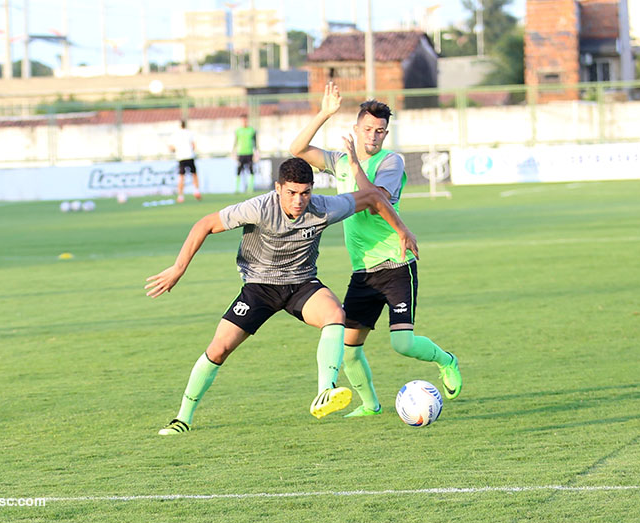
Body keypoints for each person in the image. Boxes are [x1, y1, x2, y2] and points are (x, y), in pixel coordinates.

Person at [145, 157, 418, 435]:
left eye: (305, 193)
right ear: (278, 188)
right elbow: (205, 224)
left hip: (301, 284)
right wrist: (179, 268)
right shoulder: (258, 208)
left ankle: (326, 390)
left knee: (336, 315)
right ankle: (183, 418)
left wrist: (402, 230)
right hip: (259, 287)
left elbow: (373, 197)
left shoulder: (323, 207)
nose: (299, 201)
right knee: (219, 349)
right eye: (291, 193)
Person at [289, 82, 462, 418]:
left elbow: (373, 202)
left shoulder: (391, 162)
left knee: (403, 344)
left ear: (386, 134)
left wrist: (354, 163)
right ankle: (370, 406)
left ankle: (447, 361)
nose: (373, 136)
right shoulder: (338, 160)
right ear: (356, 128)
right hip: (363, 271)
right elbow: (297, 148)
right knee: (351, 349)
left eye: (380, 131)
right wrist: (325, 112)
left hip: (396, 263)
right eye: (368, 129)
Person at [169, 120, 202, 203]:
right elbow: (193, 145)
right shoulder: (190, 133)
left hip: (181, 157)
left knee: (181, 176)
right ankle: (196, 191)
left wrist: (176, 150)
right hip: (190, 156)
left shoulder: (175, 134)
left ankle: (180, 196)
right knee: (194, 174)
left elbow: (171, 147)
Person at [232, 114, 258, 194]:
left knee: (251, 170)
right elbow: (235, 142)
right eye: (242, 120)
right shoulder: (238, 131)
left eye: (245, 120)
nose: (244, 122)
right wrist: (233, 152)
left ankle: (250, 188)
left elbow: (255, 143)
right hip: (241, 153)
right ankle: (237, 189)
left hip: (249, 153)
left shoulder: (252, 130)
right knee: (239, 170)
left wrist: (256, 153)